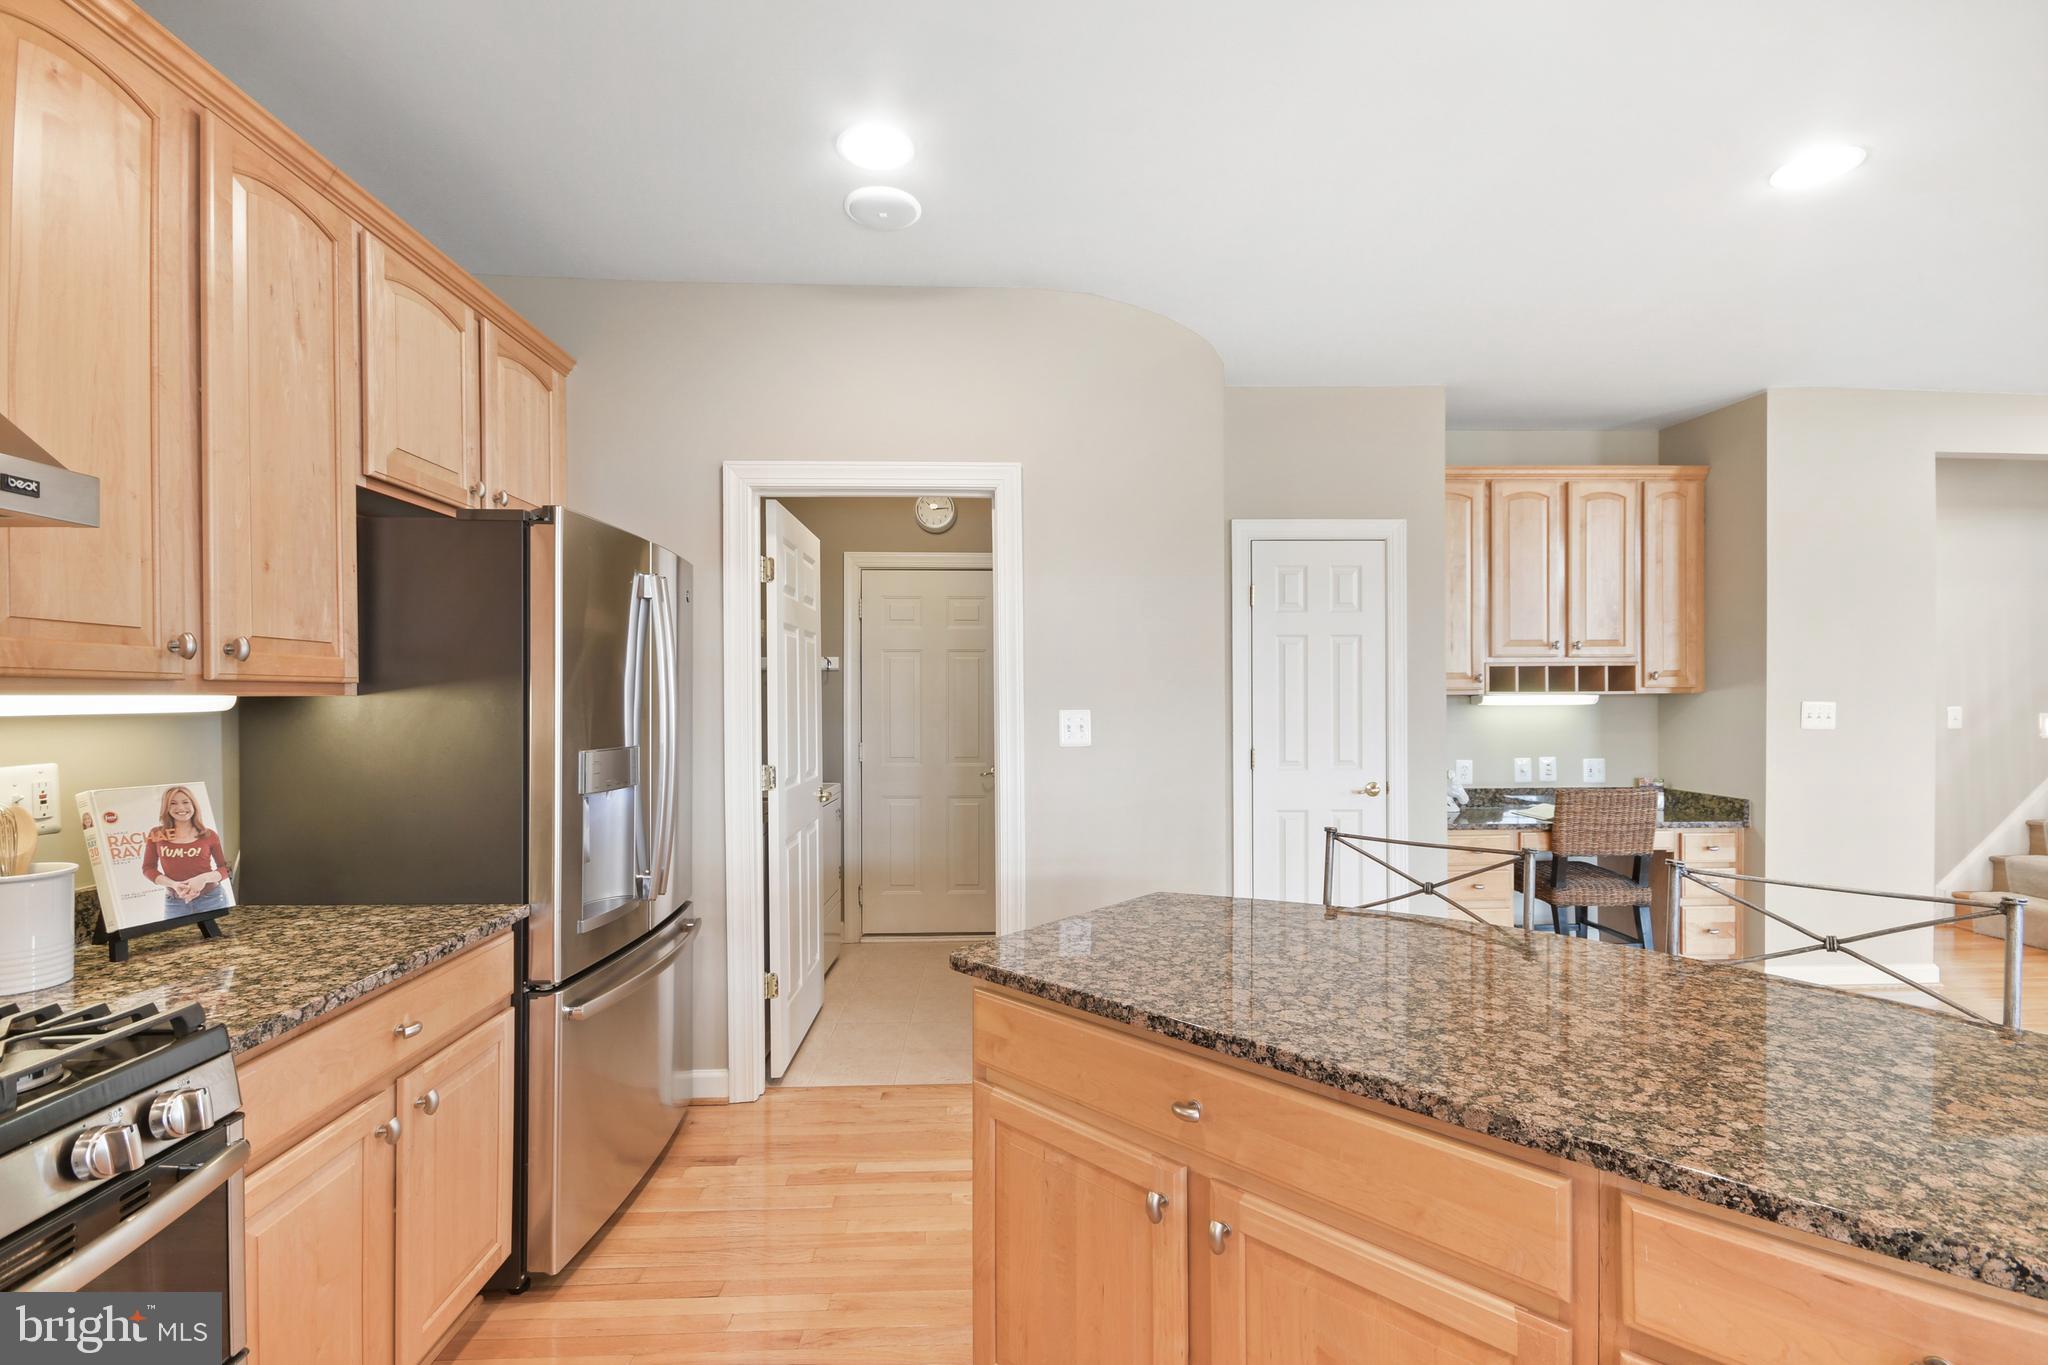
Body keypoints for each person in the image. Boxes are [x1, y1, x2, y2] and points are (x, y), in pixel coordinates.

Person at [141, 785, 234, 915]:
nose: (180, 808)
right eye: (173, 803)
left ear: (194, 805)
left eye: (185, 802)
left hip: (212, 899)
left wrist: (203, 879)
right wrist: (174, 884)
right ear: (166, 807)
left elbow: (224, 869)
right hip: (175, 902)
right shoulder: (157, 833)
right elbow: (148, 868)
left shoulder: (208, 834)